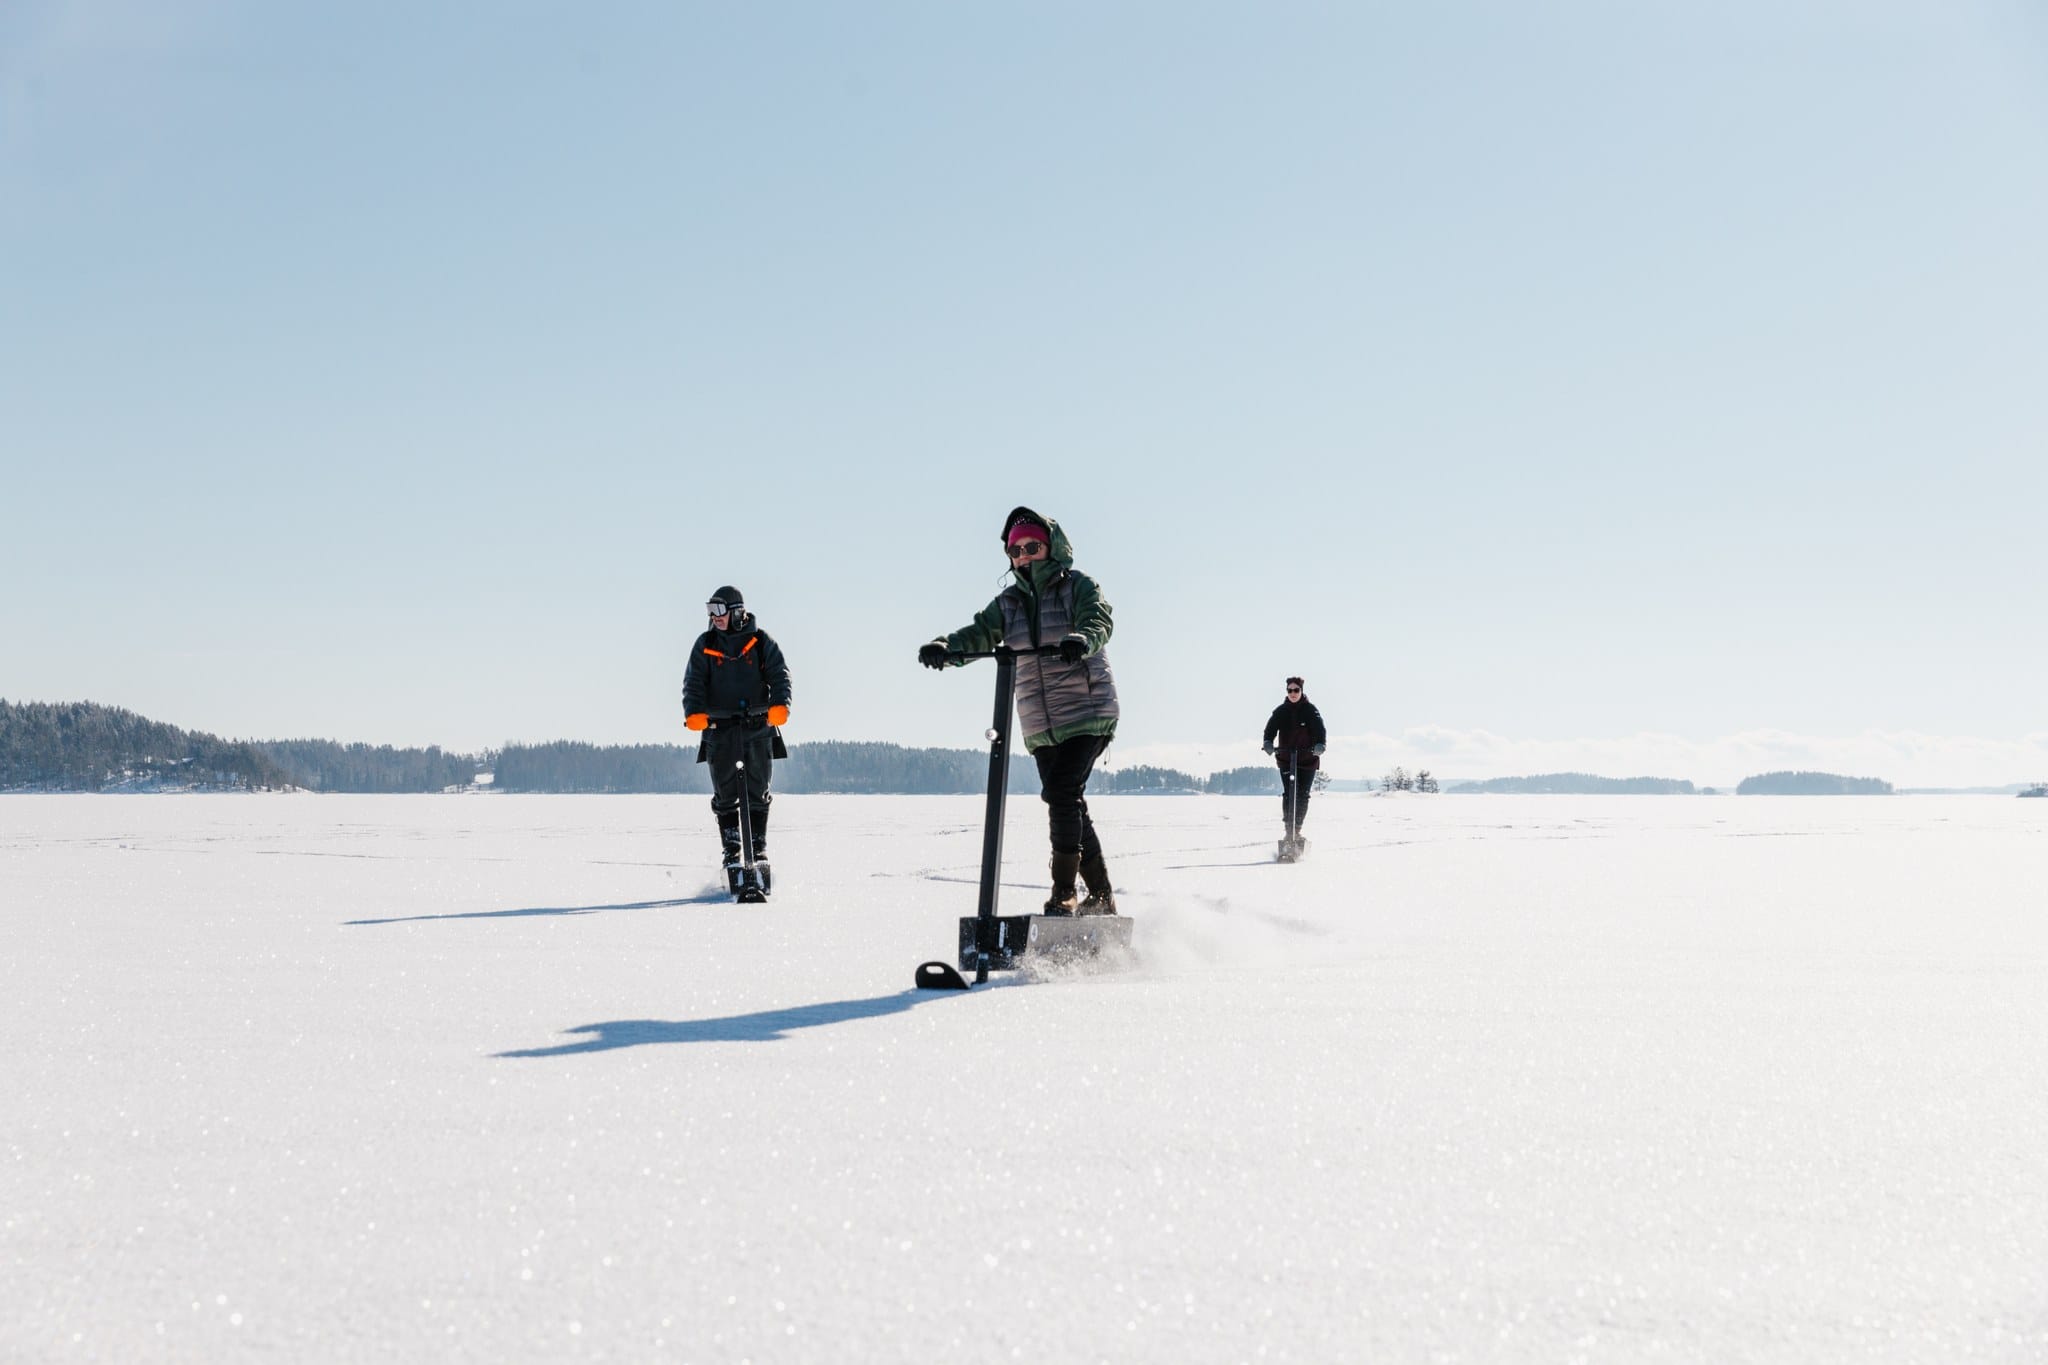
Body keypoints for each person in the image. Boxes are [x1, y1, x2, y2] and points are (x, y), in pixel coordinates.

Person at [918, 507, 1119, 916]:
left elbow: (1098, 620)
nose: (1024, 557)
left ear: (1051, 547)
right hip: (1041, 723)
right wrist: (946, 648)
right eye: (1016, 551)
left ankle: (1064, 891)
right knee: (1067, 800)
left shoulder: (1077, 586)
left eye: (1032, 547)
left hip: (1087, 711)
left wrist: (1082, 639)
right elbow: (980, 632)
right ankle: (1101, 896)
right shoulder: (1008, 603)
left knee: (1061, 792)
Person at [682, 587, 792, 868]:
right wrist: (694, 712)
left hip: (757, 726)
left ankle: (758, 848)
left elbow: (779, 674)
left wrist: (780, 705)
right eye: (710, 611)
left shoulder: (760, 641)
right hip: (719, 729)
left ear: (737, 611)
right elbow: (693, 683)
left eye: (719, 610)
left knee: (758, 791)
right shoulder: (705, 643)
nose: (714, 617)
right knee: (725, 794)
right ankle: (731, 851)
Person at [1262, 676, 1326, 835]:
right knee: (1289, 794)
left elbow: (1320, 730)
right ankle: (1288, 830)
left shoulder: (1310, 710)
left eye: (1296, 690)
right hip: (1286, 759)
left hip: (1307, 759)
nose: (1293, 693)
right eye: (1290, 690)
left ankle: (1297, 830)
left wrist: (1320, 744)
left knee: (1303, 794)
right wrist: (1268, 742)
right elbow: (1270, 729)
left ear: (1301, 690)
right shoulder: (1281, 711)